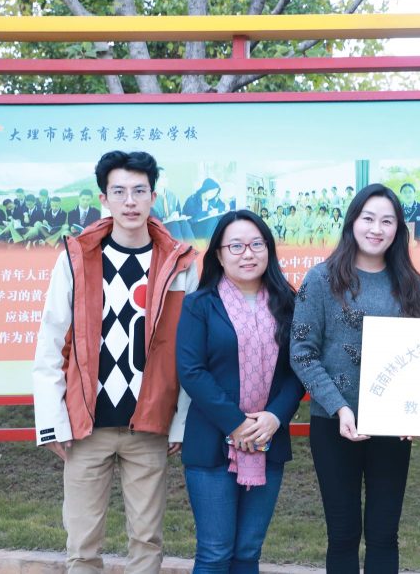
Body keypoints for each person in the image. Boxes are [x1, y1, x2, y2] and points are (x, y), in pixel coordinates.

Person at [32, 150, 199, 574]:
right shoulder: (77, 258)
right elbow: (52, 343)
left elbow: (189, 352)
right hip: (87, 428)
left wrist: (180, 422)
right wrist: (52, 422)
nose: (130, 201)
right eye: (119, 191)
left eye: (139, 191)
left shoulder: (178, 263)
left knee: (147, 543)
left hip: (149, 426)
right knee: (82, 546)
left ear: (153, 197)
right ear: (104, 199)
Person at [290, 183, 420, 573]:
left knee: (384, 535)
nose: (376, 229)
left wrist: (417, 412)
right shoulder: (321, 280)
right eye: (368, 218)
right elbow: (302, 352)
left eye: (387, 221)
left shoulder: (411, 285)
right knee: (343, 534)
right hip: (333, 423)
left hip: (392, 427)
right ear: (352, 222)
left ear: (398, 229)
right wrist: (339, 407)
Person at [176, 210, 305, 574]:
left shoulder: (288, 303)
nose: (247, 254)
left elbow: (299, 368)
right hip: (212, 443)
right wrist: (236, 423)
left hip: (268, 440)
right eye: (236, 246)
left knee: (248, 552)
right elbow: (192, 371)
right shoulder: (200, 304)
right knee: (215, 552)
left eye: (256, 244)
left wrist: (275, 417)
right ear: (219, 255)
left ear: (268, 250)